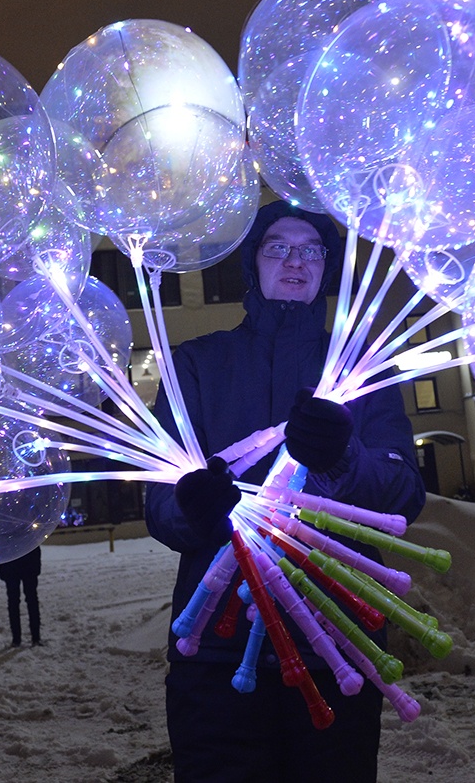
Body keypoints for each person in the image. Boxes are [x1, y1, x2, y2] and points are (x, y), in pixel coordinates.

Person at [146, 201, 427, 783]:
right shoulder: (196, 365)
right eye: (278, 246)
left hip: (338, 639)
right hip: (215, 642)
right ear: (253, 264)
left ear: (326, 268)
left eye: (310, 249)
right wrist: (193, 509)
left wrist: (343, 459)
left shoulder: (363, 370)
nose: (295, 260)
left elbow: (404, 493)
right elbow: (160, 506)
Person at [0, 545, 42, 647]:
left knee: (16, 601)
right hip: (26, 563)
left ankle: (18, 639)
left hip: (13, 564)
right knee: (30, 600)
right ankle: (33, 638)